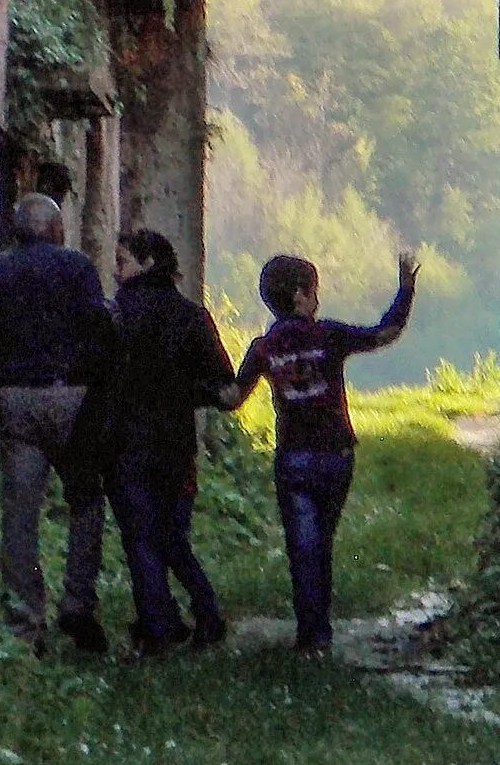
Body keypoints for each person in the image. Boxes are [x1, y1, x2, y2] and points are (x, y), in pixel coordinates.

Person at [0, 191, 118, 655]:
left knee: (20, 515)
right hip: (71, 398)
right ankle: (77, 602)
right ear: (56, 229)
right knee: (86, 501)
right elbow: (98, 331)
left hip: (17, 401)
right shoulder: (77, 269)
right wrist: (95, 385)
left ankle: (26, 625)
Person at [233, 249, 419, 655]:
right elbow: (383, 334)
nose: (317, 298)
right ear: (300, 296)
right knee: (322, 542)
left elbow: (231, 396)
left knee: (302, 546)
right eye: (313, 290)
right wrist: (405, 291)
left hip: (293, 458)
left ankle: (311, 633)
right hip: (335, 454)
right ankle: (319, 631)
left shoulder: (263, 348)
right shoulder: (327, 335)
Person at [105, 228, 237, 657]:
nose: (115, 269)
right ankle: (204, 613)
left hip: (126, 441)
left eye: (122, 260)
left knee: (140, 537)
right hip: (175, 444)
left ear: (145, 263)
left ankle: (158, 628)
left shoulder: (115, 315)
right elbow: (221, 382)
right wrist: (186, 393)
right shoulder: (191, 316)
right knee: (172, 536)